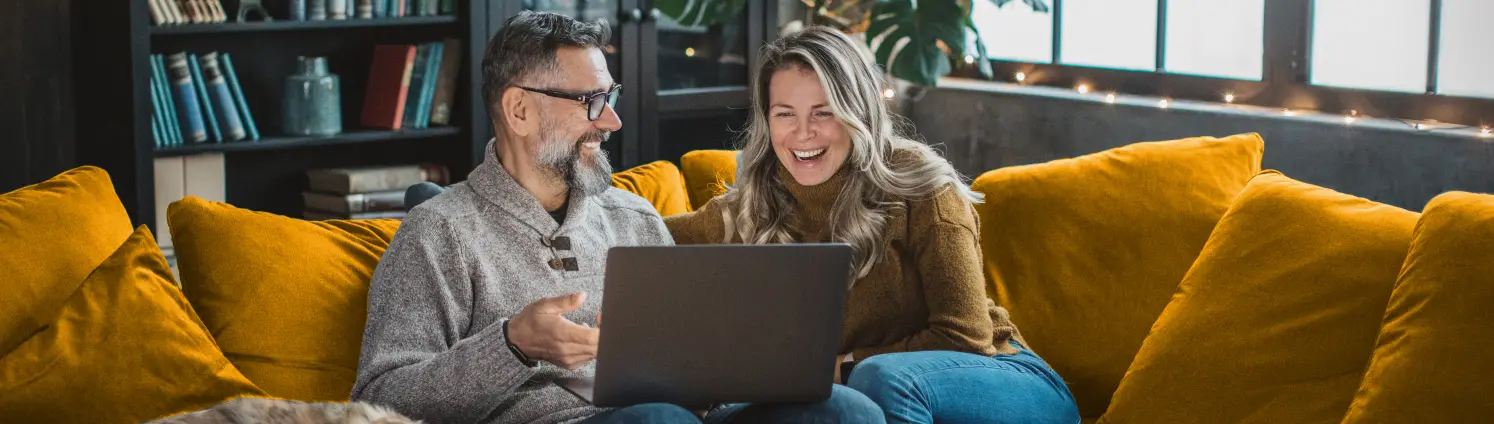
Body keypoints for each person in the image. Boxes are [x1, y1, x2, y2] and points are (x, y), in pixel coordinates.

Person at [352, 12, 881, 424]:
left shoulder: (633, 216)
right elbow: (380, 398)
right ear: (518, 110)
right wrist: (512, 344)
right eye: (592, 100)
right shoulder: (440, 232)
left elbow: (690, 362)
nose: (612, 119)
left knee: (844, 410)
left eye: (612, 96)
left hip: (684, 415)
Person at [664, 27, 1082, 424]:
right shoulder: (752, 205)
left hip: (1006, 380)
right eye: (785, 113)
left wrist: (842, 366)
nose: (803, 132)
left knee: (878, 379)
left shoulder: (921, 184)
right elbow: (642, 236)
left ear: (856, 111)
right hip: (875, 396)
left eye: (824, 111)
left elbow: (967, 337)